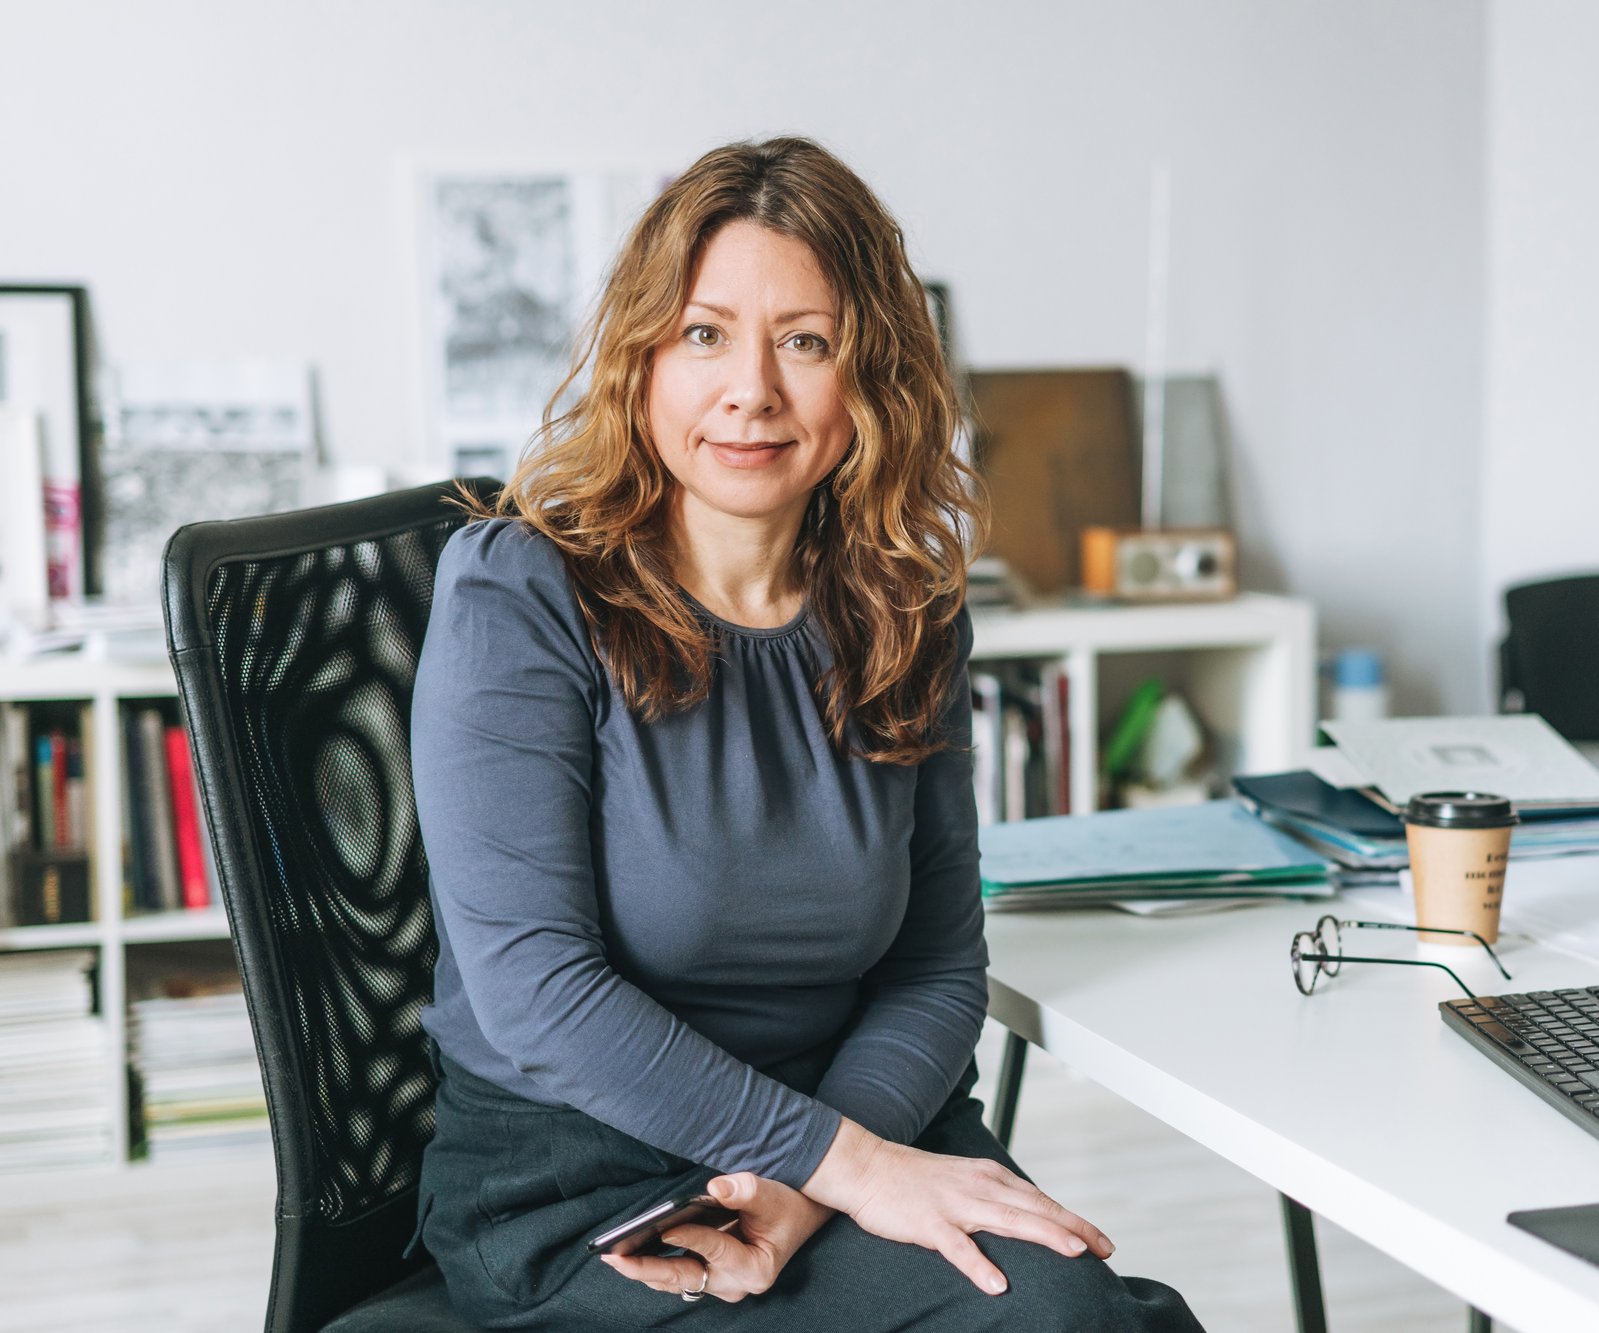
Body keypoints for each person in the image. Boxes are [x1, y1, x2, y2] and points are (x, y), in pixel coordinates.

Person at [409, 137, 1205, 1331]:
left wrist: (817, 1182)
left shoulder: (906, 610)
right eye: (703, 334)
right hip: (592, 1179)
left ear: (870, 376)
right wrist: (844, 1166)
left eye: (805, 341)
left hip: (857, 1132)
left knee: (1078, 1310)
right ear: (640, 361)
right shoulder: (520, 593)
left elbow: (935, 963)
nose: (751, 390)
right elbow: (534, 990)